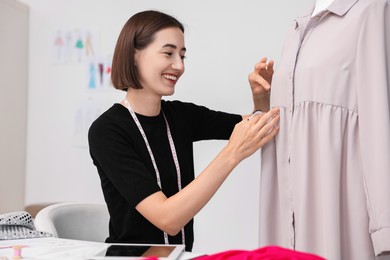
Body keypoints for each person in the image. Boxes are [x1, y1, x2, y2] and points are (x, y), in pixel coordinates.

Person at [88, 10, 280, 252]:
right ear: (134, 55)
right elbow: (168, 219)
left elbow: (256, 127)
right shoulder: (107, 131)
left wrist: (261, 98)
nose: (179, 66)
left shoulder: (181, 116)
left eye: (182, 56)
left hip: (180, 256)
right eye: (168, 53)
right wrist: (232, 153)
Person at [249, 0, 390, 259]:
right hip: (287, 217)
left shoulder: (373, 9)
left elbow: (380, 122)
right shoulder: (297, 27)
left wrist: (385, 228)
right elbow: (290, 134)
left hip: (340, 208)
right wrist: (262, 103)